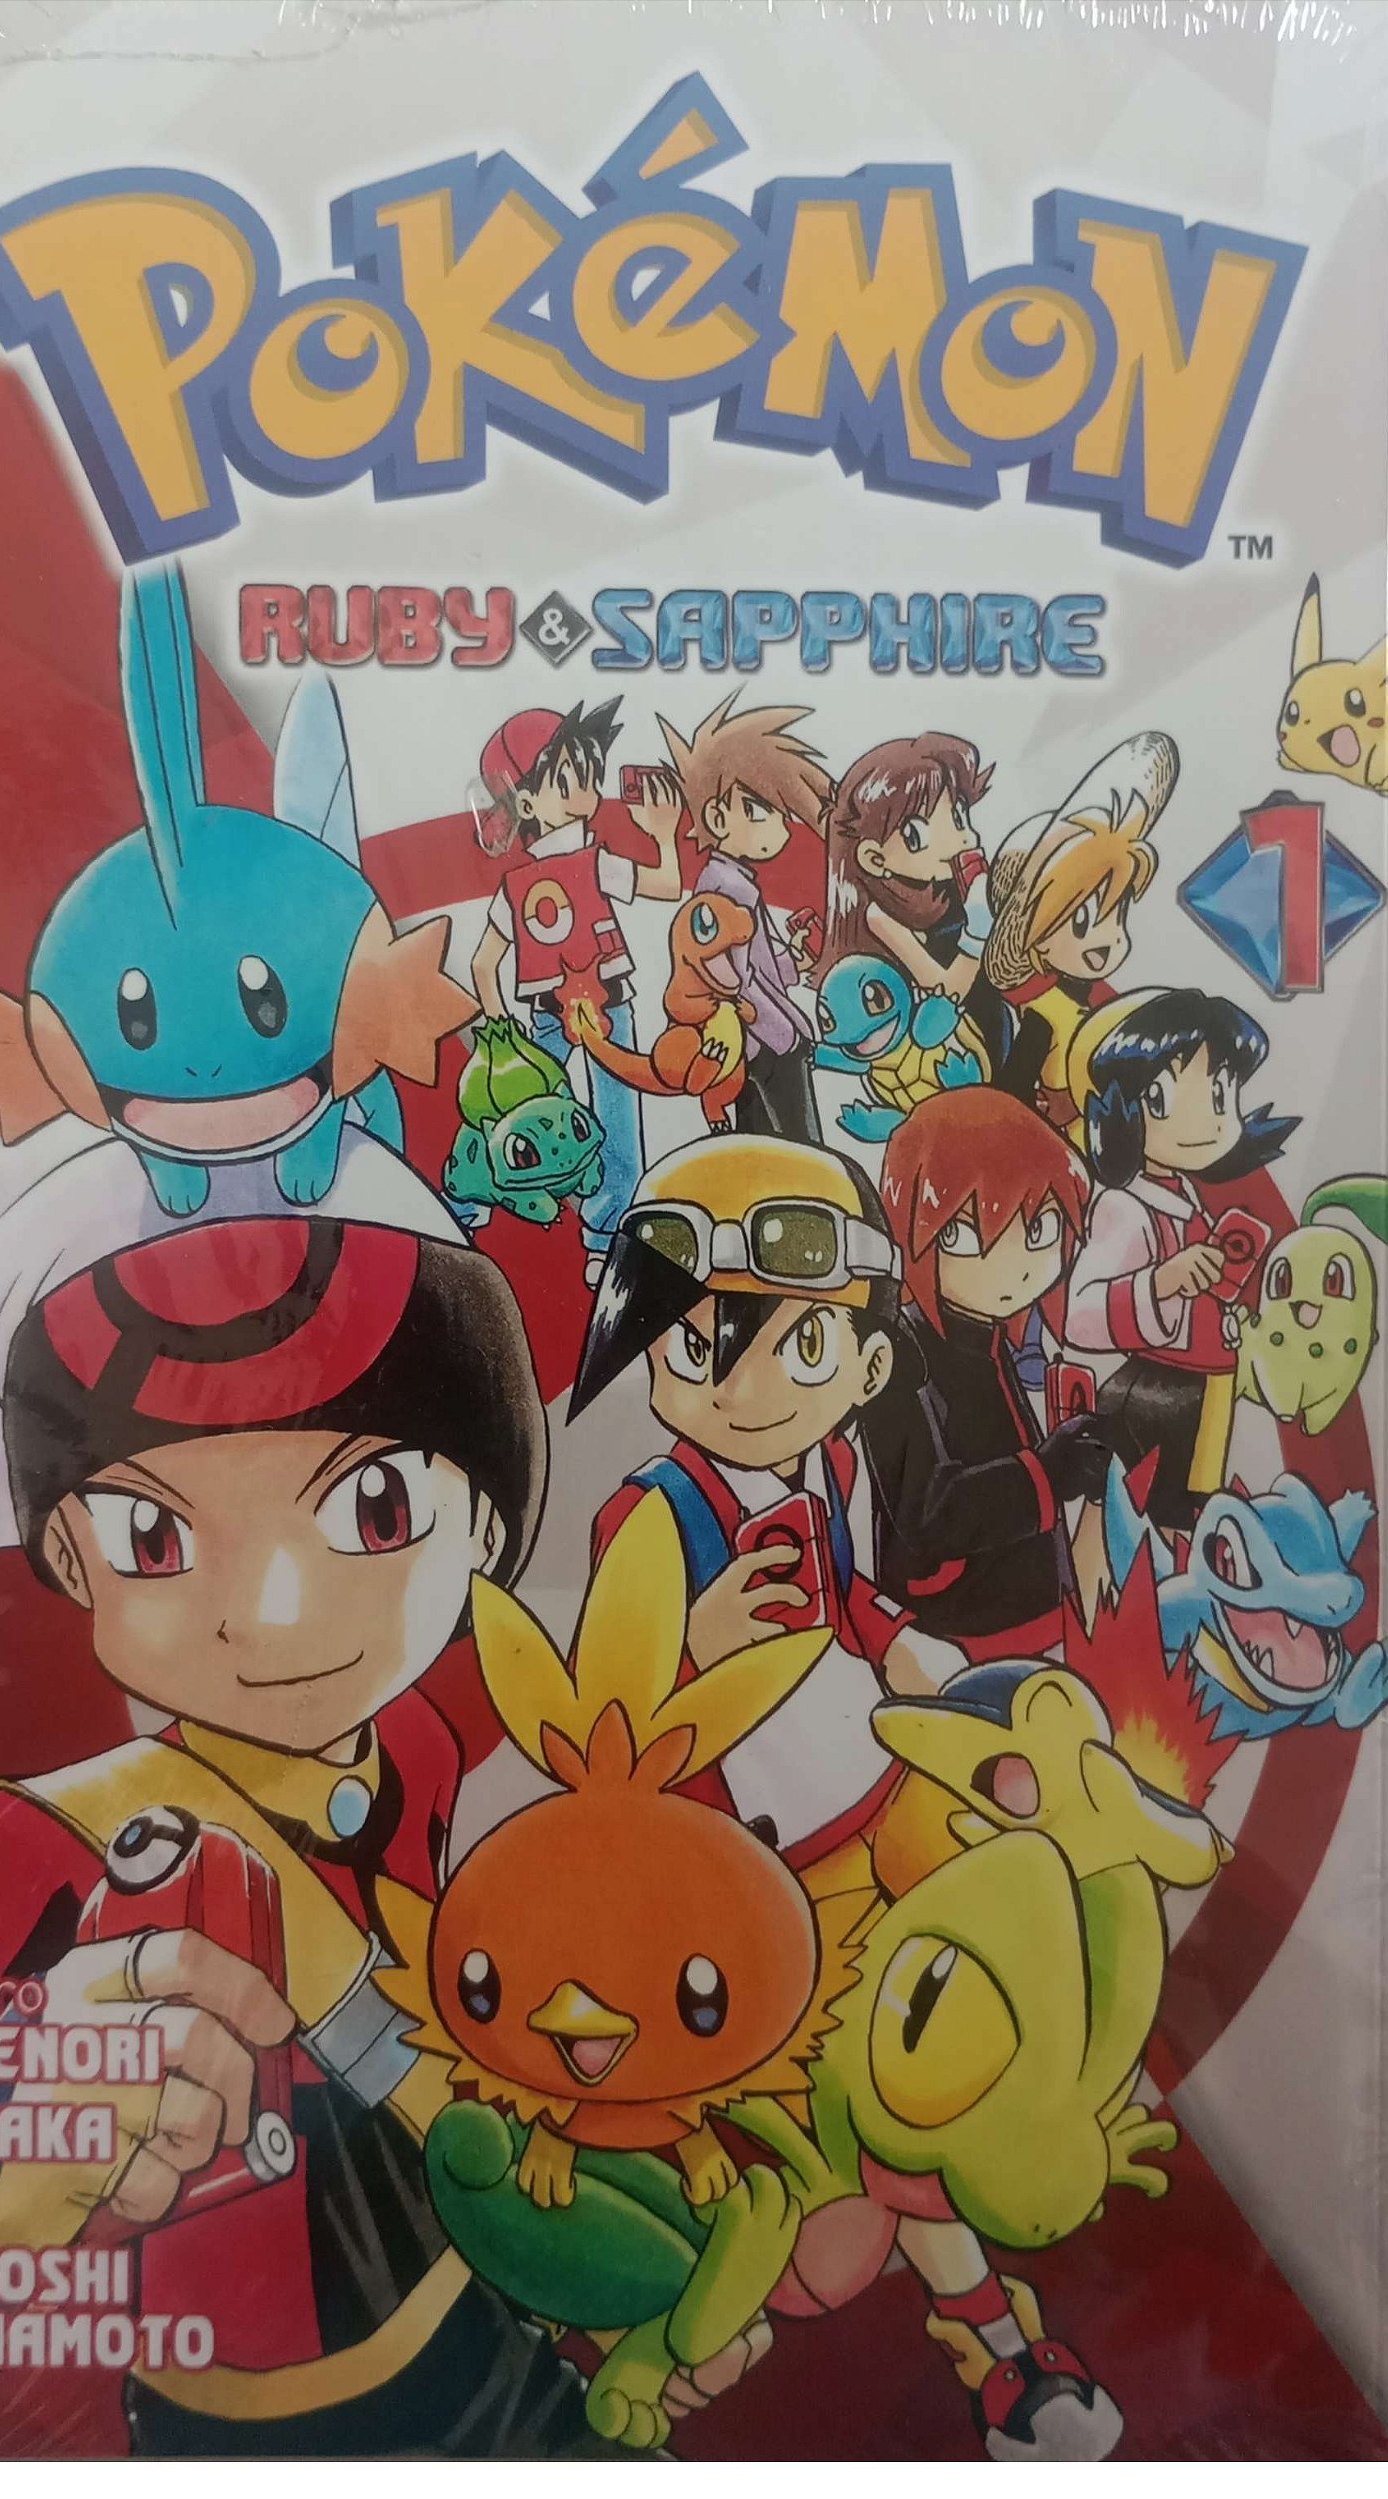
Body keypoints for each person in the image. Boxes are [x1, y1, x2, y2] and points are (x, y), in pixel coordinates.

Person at [0, 1216, 623, 2460]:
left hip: (495, 2344)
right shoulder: (40, 1842)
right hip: (259, 2434)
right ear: (72, 1558)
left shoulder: (421, 1747)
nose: (272, 1617)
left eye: (376, 1507)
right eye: (153, 1538)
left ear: (485, 1532)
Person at [570, 1133, 921, 1891]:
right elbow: (603, 1714)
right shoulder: (646, 1517)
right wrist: (693, 1649)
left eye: (802, 1345)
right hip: (739, 1840)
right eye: (695, 1350)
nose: (741, 1391)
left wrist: (895, 1639)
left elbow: (839, 1586)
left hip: (860, 1768)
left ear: (870, 1368)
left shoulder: (834, 1465)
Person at [871, 1089, 1119, 1657]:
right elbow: (927, 1511)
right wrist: (1048, 1473)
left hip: (1032, 1613)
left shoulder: (991, 1337)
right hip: (956, 1633)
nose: (1013, 1265)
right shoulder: (898, 1355)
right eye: (962, 1234)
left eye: (1039, 1231)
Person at [1064, 989, 1297, 1534]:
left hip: (1206, 1389)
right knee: (1142, 1516)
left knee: (1194, 1510)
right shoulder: (1125, 1207)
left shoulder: (1186, 1200)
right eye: (1163, 1098)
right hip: (1155, 1393)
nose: (1208, 1122)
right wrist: (1162, 1281)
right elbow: (1080, 1314)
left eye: (1220, 1094)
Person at [469, 699, 682, 1276]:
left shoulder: (597, 863)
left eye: (589, 772)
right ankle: (478, 1190)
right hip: (549, 1014)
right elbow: (483, 964)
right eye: (568, 775)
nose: (586, 786)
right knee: (524, 1110)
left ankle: (608, 1236)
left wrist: (662, 834)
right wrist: (501, 1033)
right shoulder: (520, 885)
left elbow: (667, 885)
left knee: (617, 1121)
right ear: (525, 803)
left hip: (609, 1006)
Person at [980, 732, 1177, 1139]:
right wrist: (1063, 1105)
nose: (1108, 938)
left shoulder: (1093, 997)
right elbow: (1010, 1094)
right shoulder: (1043, 1014)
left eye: (1116, 912)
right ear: (1033, 935)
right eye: (1083, 920)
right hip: (1071, 1141)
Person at [657, 694, 833, 1142]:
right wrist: (787, 1034)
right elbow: (735, 980)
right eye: (759, 810)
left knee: (762, 1144)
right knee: (797, 1144)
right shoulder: (726, 890)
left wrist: (794, 963)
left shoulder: (733, 881)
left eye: (782, 814)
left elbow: (758, 966)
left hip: (751, 1039)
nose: (779, 827)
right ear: (716, 817)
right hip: (759, 1041)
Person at [820, 731, 1010, 1069]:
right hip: (939, 1055)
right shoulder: (880, 917)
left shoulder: (951, 891)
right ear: (875, 858)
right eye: (917, 834)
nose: (964, 838)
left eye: (959, 817)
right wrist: (977, 935)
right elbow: (946, 988)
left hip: (991, 1020)